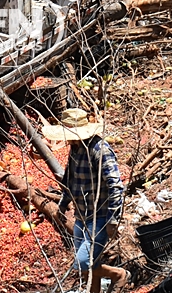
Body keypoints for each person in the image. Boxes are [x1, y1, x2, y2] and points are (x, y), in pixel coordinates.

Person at [44, 108, 129, 293]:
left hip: (100, 215)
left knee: (83, 263)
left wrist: (113, 219)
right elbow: (70, 180)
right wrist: (63, 203)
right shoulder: (75, 149)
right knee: (89, 270)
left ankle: (118, 275)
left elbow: (116, 186)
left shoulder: (100, 150)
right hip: (81, 215)